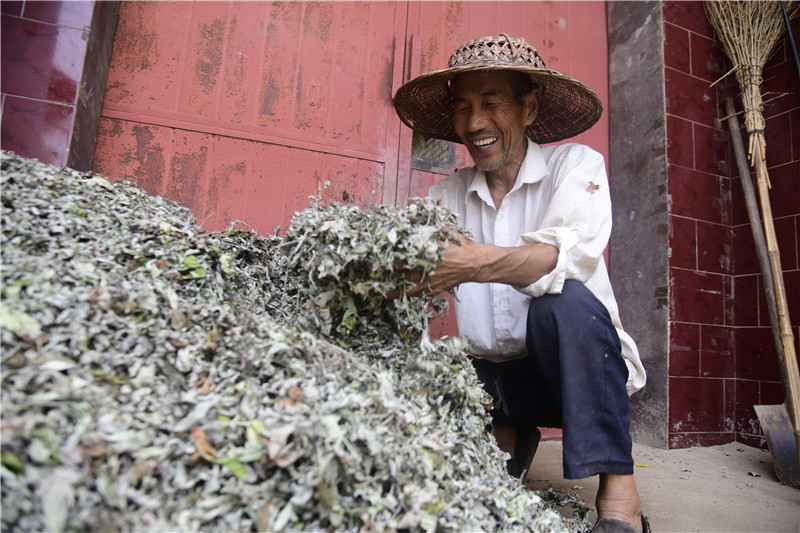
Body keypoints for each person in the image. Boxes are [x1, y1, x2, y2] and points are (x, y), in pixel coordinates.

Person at [393, 34, 649, 533]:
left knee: (566, 301)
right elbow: (409, 273)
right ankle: (509, 431)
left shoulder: (574, 167)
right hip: (492, 381)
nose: (474, 124)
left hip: (574, 377)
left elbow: (561, 256)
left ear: (529, 107)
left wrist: (471, 262)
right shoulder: (444, 195)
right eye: (464, 108)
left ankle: (621, 497)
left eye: (491, 104)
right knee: (436, 367)